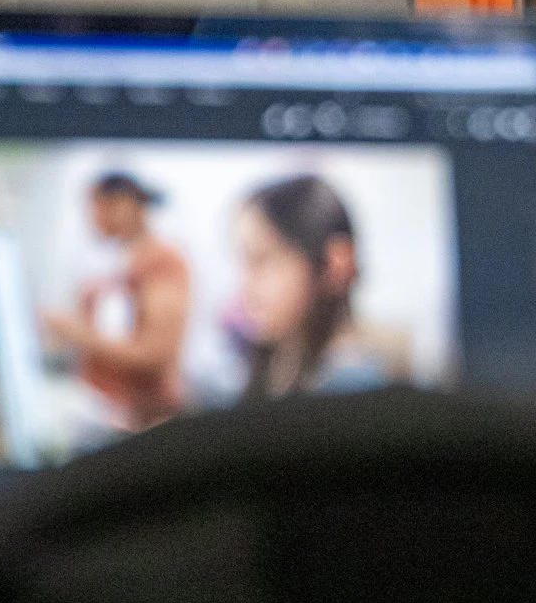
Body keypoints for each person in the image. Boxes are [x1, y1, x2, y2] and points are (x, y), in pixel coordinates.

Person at [226, 174, 412, 401]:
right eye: (243, 262)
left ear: (330, 264)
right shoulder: (277, 365)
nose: (245, 285)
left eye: (261, 260)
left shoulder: (351, 383)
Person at [39, 172, 193, 432]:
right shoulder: (120, 259)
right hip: (103, 409)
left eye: (101, 207)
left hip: (142, 418)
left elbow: (155, 351)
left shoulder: (163, 262)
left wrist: (78, 334)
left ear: (126, 205)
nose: (94, 218)